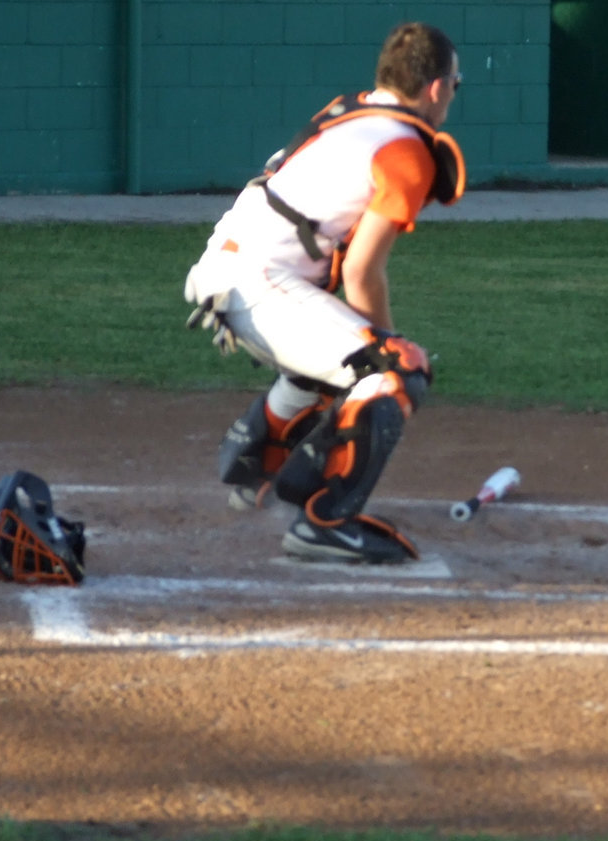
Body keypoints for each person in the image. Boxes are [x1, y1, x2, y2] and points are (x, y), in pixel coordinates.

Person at [183, 23, 464, 563]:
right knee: (394, 368)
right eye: (456, 82)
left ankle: (258, 464)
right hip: (259, 281)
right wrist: (386, 346)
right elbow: (361, 272)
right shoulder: (407, 150)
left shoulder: (356, 112)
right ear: (435, 88)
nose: (453, 94)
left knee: (349, 352)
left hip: (232, 269)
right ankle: (325, 522)